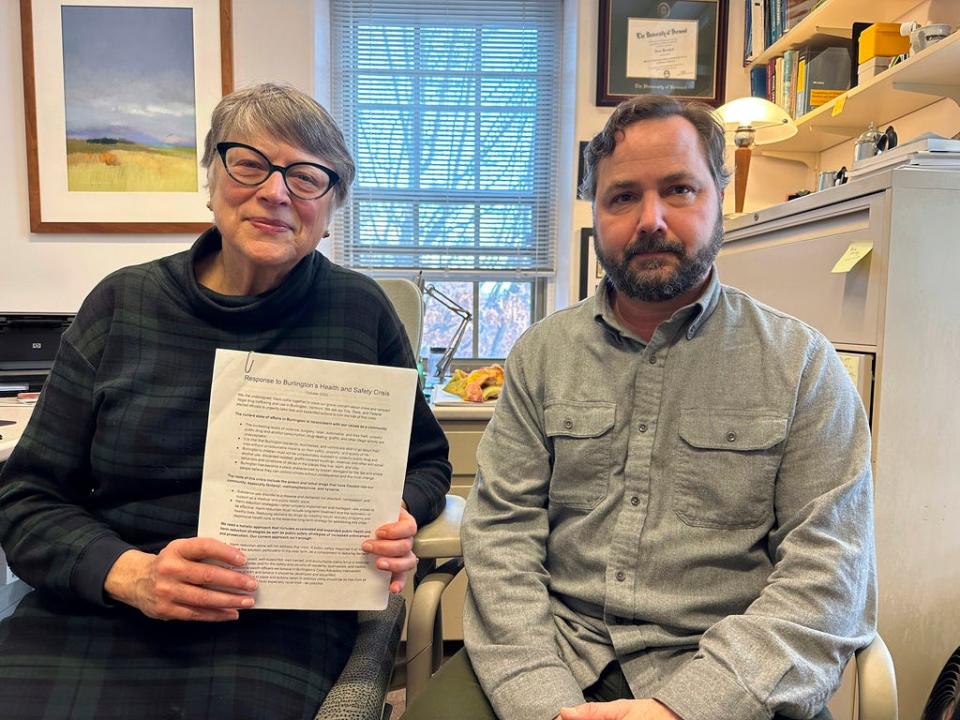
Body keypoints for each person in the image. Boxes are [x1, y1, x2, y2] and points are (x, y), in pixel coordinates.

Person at [403, 95, 876, 720]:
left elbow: (829, 576)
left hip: (727, 671)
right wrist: (544, 704)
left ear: (719, 200)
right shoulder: (541, 354)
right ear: (596, 214)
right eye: (622, 197)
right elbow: (501, 538)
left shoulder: (801, 364)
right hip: (555, 656)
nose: (651, 218)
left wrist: (687, 708)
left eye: (679, 189)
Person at [0, 82, 451, 719]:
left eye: (307, 177)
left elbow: (428, 461)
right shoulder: (120, 306)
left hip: (271, 619)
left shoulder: (359, 313)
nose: (275, 192)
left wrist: (394, 510)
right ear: (210, 175)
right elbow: (26, 500)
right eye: (249, 163)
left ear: (331, 207)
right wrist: (131, 575)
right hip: (104, 604)